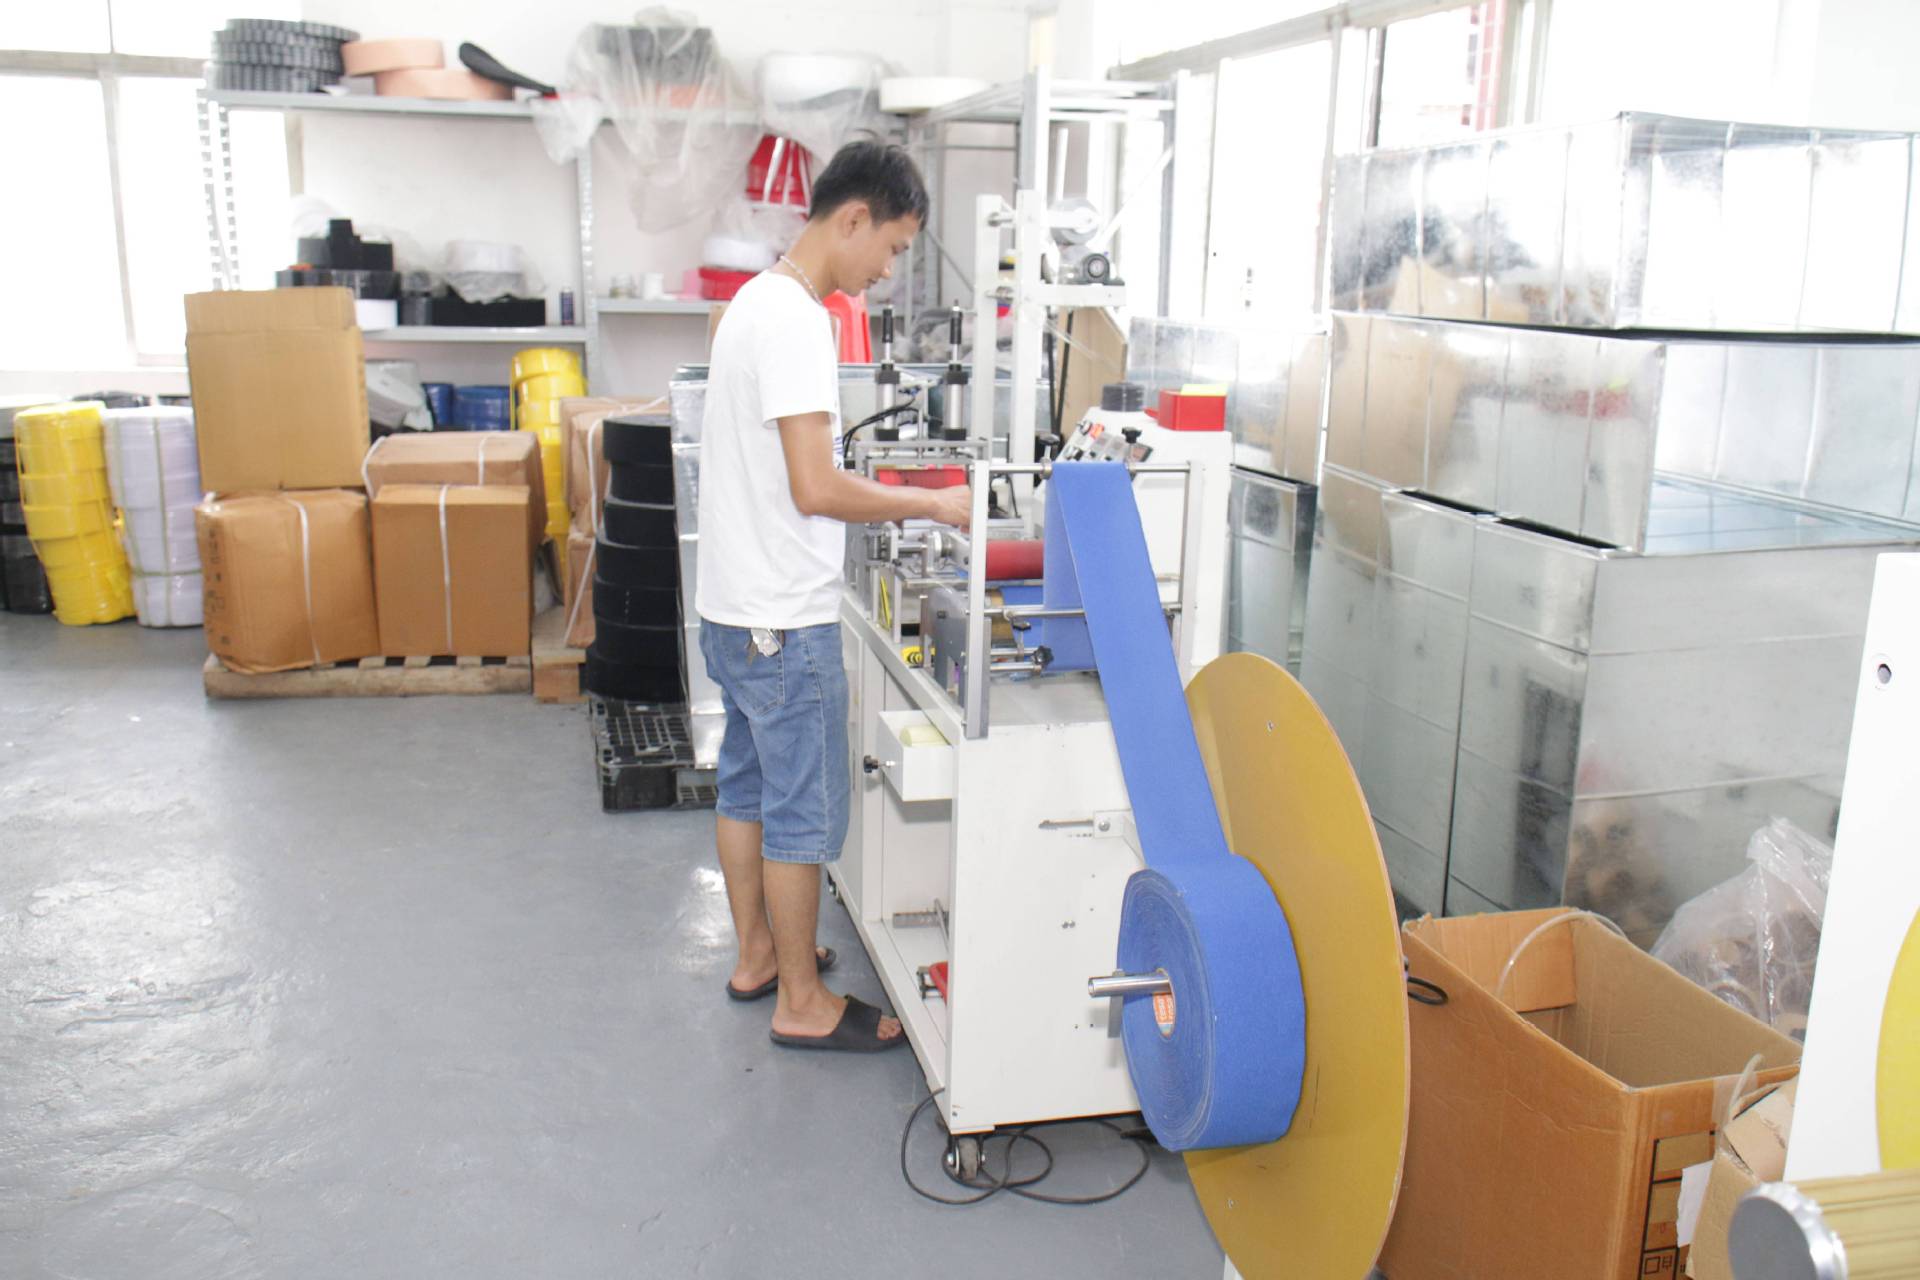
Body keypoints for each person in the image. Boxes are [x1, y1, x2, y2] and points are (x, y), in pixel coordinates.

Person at [694, 141, 971, 1053]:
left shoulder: (751, 302)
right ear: (853, 217)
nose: (887, 271)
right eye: (891, 248)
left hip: (733, 612)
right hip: (784, 620)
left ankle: (759, 957)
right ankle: (802, 1001)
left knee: (746, 789)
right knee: (802, 814)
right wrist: (932, 502)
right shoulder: (800, 322)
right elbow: (815, 487)